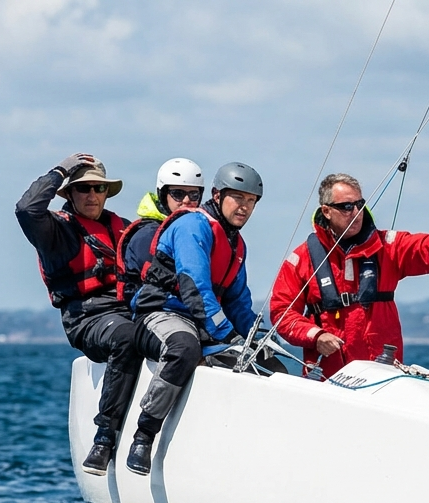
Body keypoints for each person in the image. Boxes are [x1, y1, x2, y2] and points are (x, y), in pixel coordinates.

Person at [269, 173, 429, 377]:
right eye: (347, 206)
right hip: (327, 375)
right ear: (326, 211)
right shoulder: (302, 258)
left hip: (382, 375)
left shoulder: (387, 247)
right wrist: (315, 336)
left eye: (359, 204)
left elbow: (428, 248)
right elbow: (282, 313)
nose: (356, 213)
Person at [125, 162, 266, 475]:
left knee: (267, 363)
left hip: (202, 321)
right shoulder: (193, 226)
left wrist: (257, 339)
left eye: (251, 201)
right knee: (183, 348)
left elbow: (238, 302)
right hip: (161, 312)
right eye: (237, 198)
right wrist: (228, 336)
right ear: (217, 195)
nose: (244, 206)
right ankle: (144, 433)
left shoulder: (237, 244)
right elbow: (194, 287)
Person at [15, 152, 139, 475]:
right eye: (83, 189)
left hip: (128, 313)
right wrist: (61, 170)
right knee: (126, 336)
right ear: (70, 193)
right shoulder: (57, 232)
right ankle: (105, 438)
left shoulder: (122, 229)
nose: (92, 196)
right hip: (86, 319)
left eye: (99, 189)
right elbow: (26, 210)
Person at [115, 158, 206, 306]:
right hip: (151, 312)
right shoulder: (147, 234)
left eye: (194, 194)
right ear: (163, 195)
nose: (187, 200)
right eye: (178, 194)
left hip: (186, 308)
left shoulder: (195, 232)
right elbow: (157, 283)